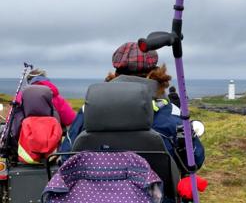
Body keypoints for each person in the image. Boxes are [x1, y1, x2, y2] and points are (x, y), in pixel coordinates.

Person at [62, 42, 205, 171]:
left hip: (93, 196)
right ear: (155, 73)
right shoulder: (171, 113)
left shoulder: (88, 109)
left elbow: (66, 155)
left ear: (116, 74)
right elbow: (194, 161)